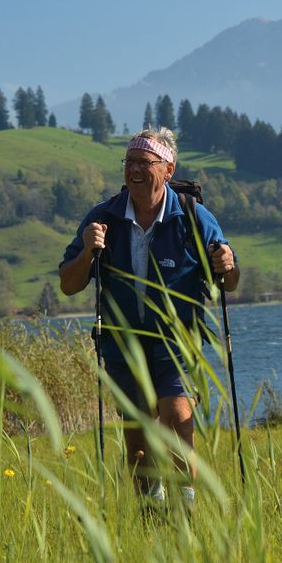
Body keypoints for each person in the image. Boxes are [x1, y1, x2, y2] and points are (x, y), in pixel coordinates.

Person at [59, 127, 239, 509]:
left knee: (177, 416)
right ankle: (150, 509)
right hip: (122, 343)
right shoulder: (103, 217)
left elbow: (229, 280)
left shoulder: (193, 215)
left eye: (145, 162)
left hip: (177, 338)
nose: (134, 170)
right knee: (138, 432)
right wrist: (89, 252)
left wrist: (228, 263)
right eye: (129, 162)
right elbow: (69, 285)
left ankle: (184, 508)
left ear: (168, 169)